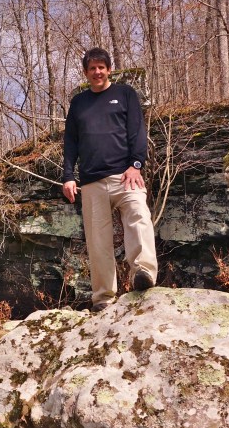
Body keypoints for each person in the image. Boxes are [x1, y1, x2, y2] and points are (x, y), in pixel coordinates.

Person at [62, 47, 158, 311]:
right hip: (92, 182)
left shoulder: (125, 94)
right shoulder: (79, 103)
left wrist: (136, 165)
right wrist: (68, 176)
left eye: (101, 67)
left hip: (126, 176)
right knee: (98, 241)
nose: (97, 72)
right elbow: (70, 142)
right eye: (92, 68)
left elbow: (137, 131)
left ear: (109, 69)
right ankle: (103, 298)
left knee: (139, 215)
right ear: (86, 72)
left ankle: (143, 273)